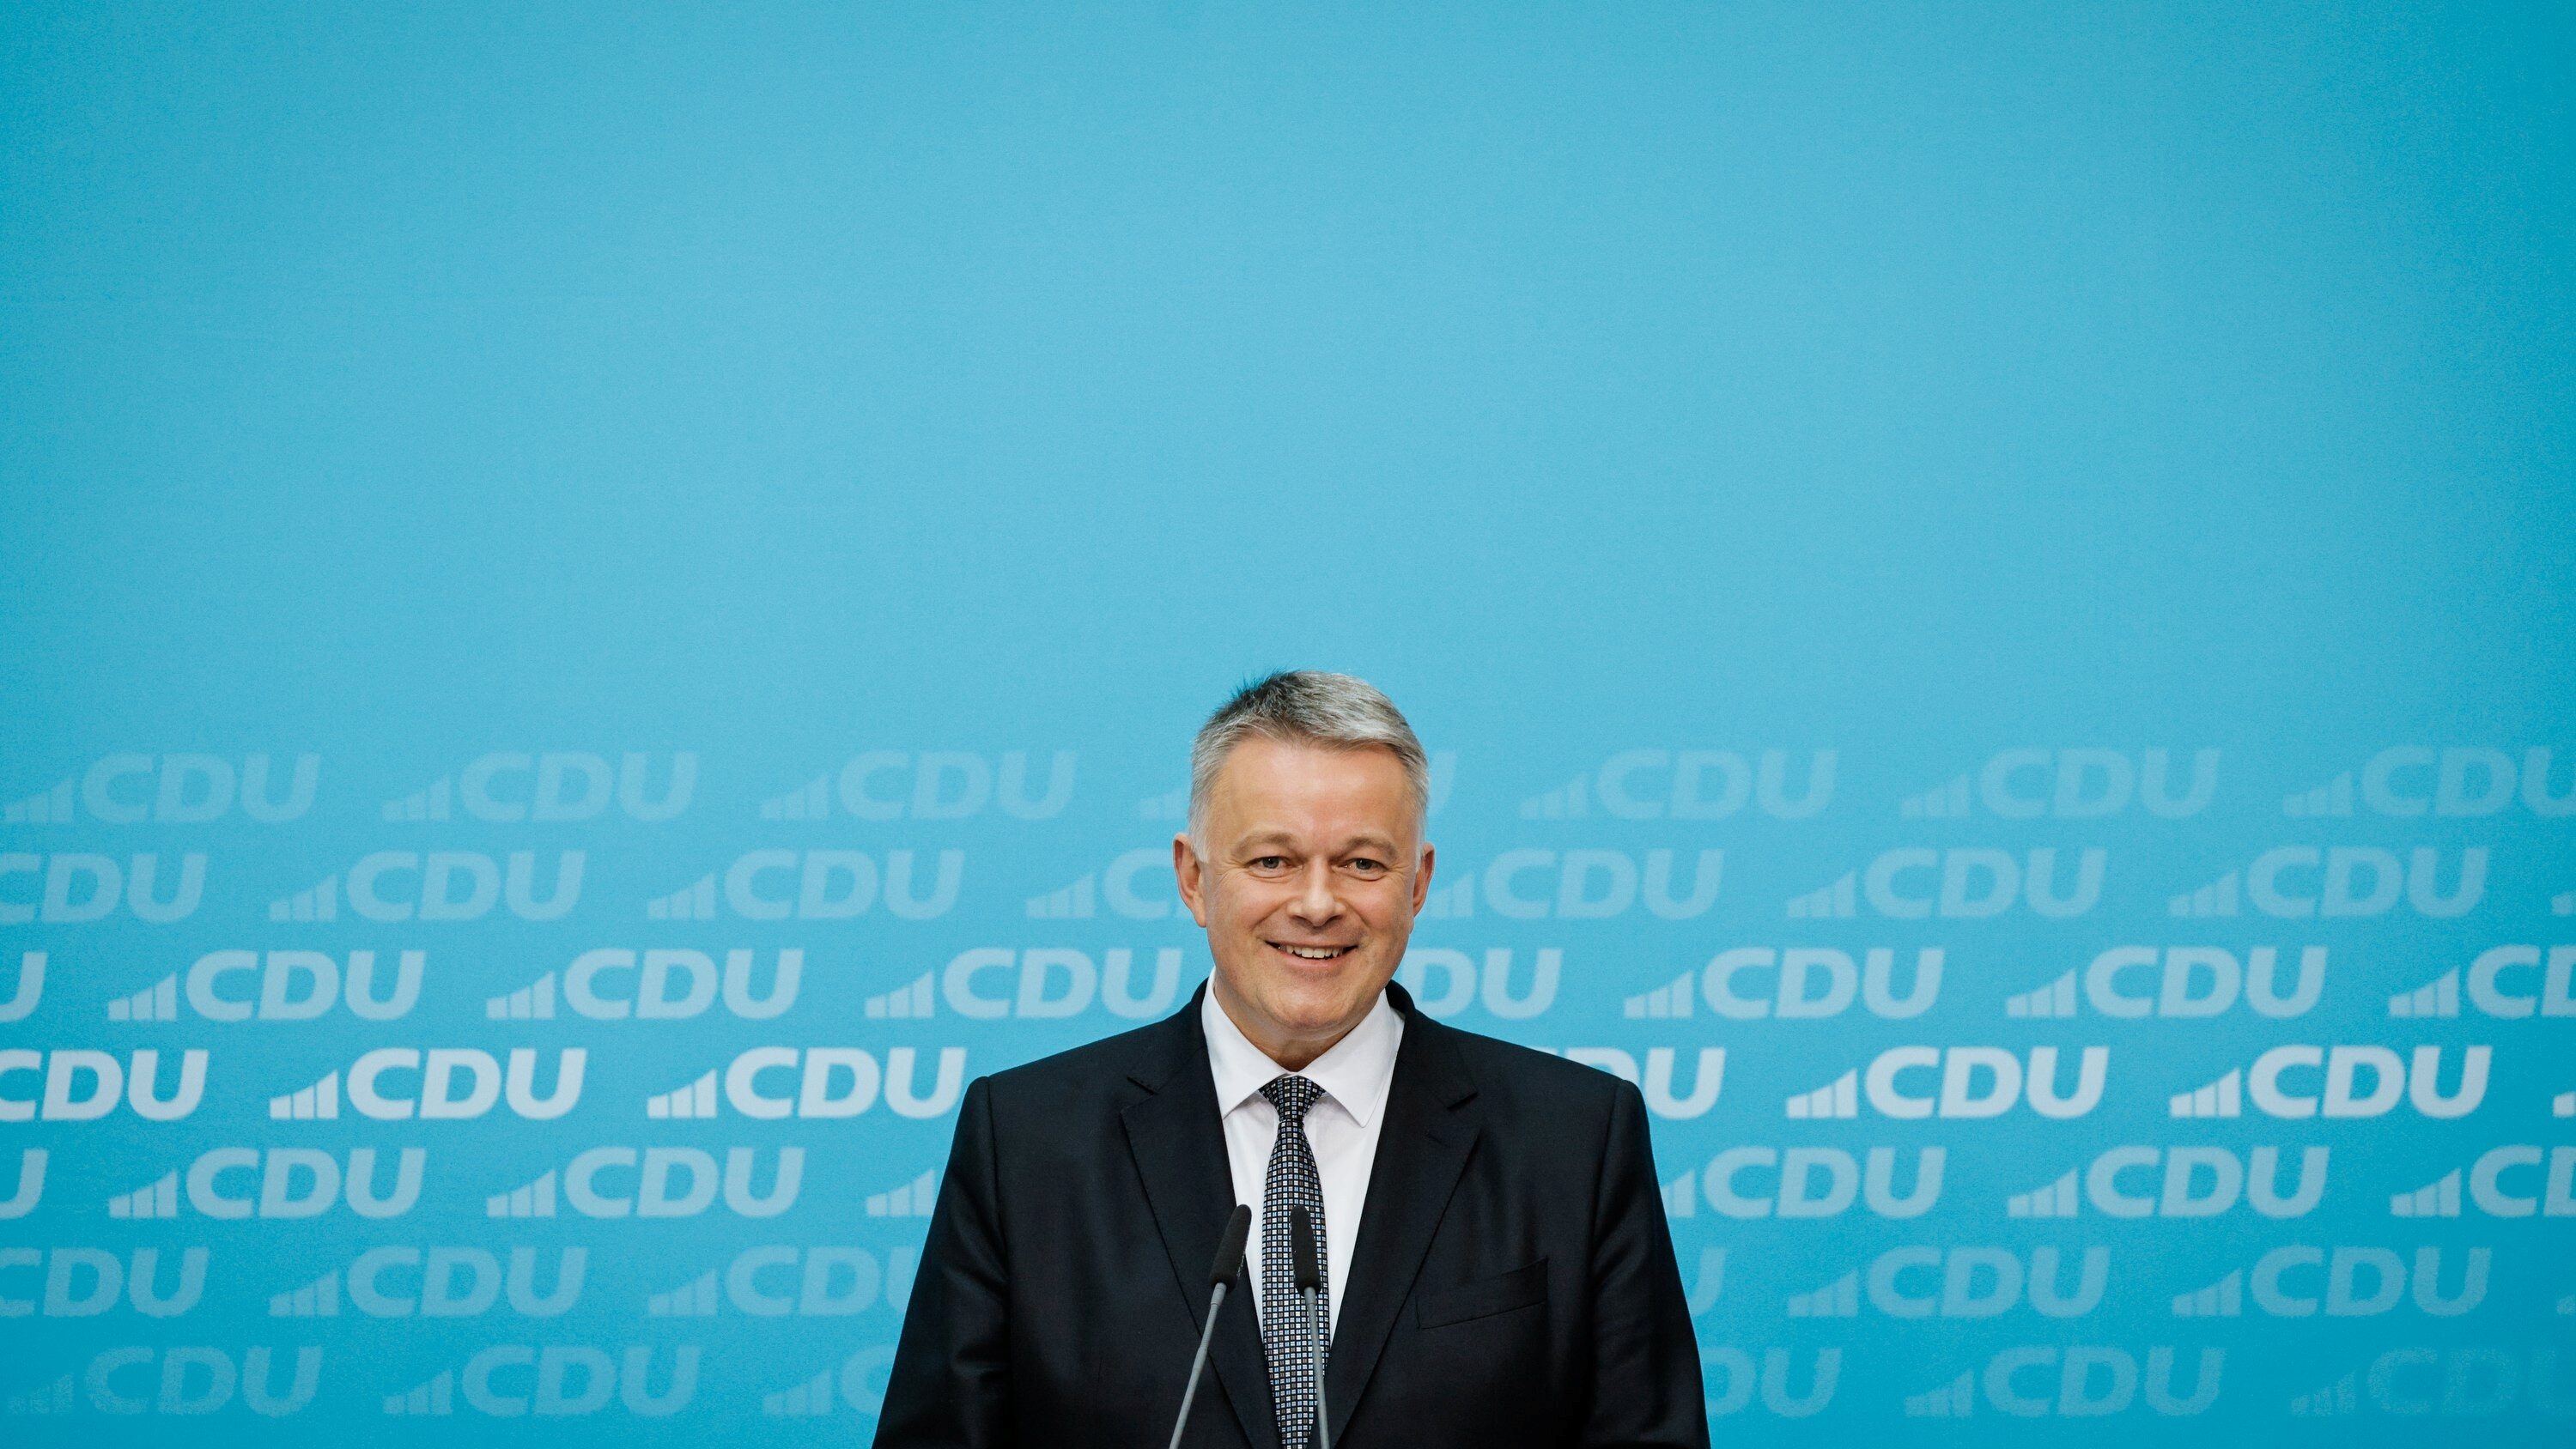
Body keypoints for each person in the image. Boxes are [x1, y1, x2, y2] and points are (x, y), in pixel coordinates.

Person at [875, 670, 1707, 1449]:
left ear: (1417, 884)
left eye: (1362, 862)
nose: (1317, 903)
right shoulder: (1026, 1145)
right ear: (1194, 878)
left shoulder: (1575, 1141)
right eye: (1272, 860)